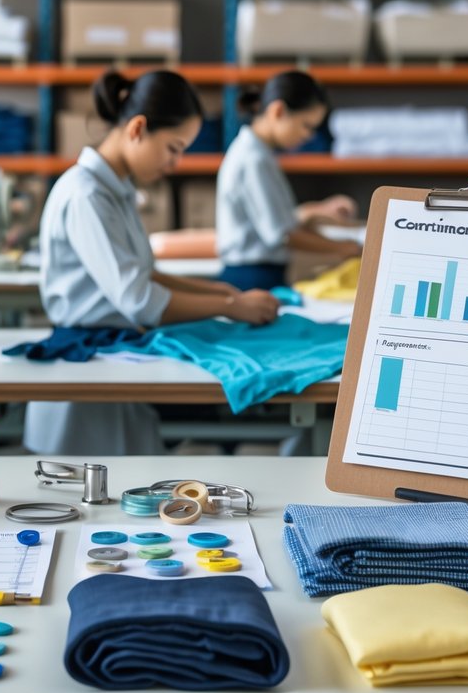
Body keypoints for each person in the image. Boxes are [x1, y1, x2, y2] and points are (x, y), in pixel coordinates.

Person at [24, 69, 281, 455]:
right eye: (173, 148)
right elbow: (138, 298)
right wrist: (231, 305)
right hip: (88, 356)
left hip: (112, 348)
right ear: (138, 128)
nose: (175, 163)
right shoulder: (86, 195)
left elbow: (144, 273)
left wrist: (219, 291)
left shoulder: (116, 191)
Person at [216, 70, 363, 292]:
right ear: (278, 111)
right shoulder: (253, 160)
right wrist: (344, 248)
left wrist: (315, 211)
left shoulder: (259, 154)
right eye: (306, 125)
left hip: (259, 272)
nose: (308, 136)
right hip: (252, 276)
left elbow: (271, 220)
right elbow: (280, 235)